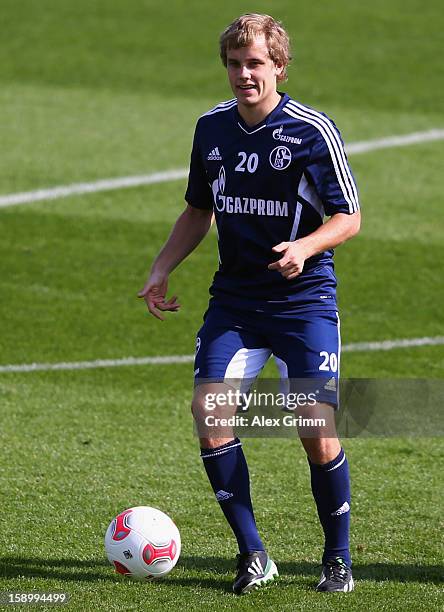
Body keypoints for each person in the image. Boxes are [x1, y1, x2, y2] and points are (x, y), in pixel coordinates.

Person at [139, 13, 360, 595]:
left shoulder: (312, 131)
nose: (244, 75)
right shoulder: (211, 129)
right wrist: (162, 268)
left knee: (315, 425)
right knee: (211, 420)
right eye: (235, 64)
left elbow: (349, 217)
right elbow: (197, 210)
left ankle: (337, 559)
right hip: (234, 302)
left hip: (302, 302)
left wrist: (305, 247)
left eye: (256, 63)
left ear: (279, 67)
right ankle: (253, 554)